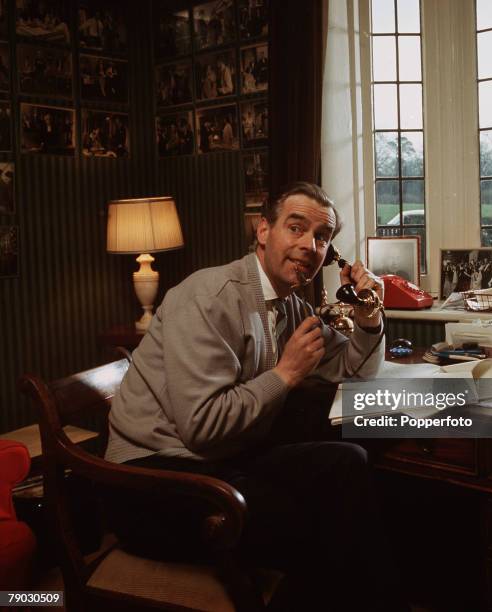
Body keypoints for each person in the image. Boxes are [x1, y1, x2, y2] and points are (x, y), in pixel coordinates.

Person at [105, 182, 408, 611]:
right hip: (147, 483)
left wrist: (370, 316)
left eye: (322, 237)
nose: (309, 245)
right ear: (263, 230)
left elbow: (354, 368)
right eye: (296, 228)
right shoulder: (207, 298)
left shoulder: (289, 305)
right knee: (316, 522)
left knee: (349, 463)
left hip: (219, 458)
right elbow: (202, 429)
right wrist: (285, 374)